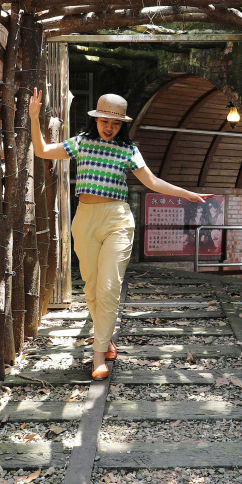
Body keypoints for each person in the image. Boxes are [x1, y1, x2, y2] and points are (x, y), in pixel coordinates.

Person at [29, 90, 212, 379]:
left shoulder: (129, 151)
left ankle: (98, 356)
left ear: (122, 125)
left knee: (109, 287)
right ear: (96, 120)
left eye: (115, 123)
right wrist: (33, 118)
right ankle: (106, 337)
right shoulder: (81, 144)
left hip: (117, 220)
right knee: (91, 286)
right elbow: (42, 151)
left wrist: (186, 194)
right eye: (105, 121)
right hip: (85, 219)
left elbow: (152, 181)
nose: (109, 127)